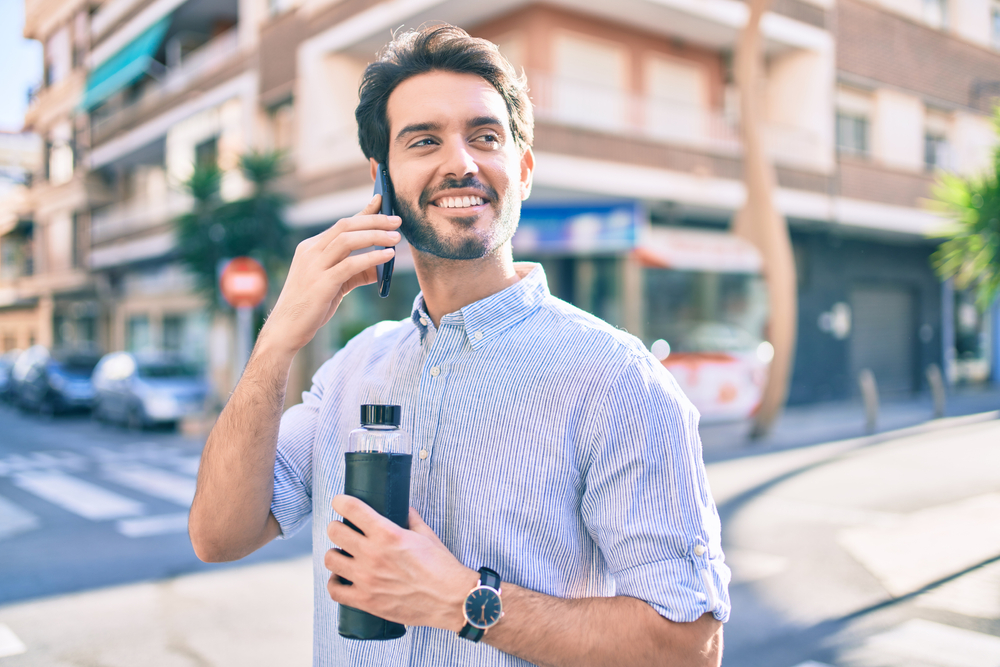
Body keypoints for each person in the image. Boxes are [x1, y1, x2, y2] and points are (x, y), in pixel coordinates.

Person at [189, 24, 730, 667]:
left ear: (522, 170)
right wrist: (275, 341)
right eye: (424, 141)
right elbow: (220, 534)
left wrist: (462, 602)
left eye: (485, 137)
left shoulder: (616, 378)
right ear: (382, 177)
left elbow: (688, 646)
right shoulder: (350, 371)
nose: (462, 162)